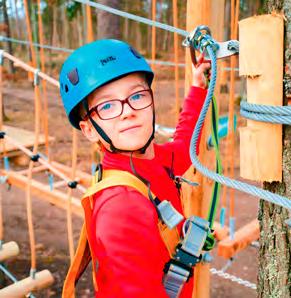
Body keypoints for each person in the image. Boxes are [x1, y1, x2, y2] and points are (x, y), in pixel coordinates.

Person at [59, 39, 210, 297]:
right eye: (107, 105)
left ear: (151, 102)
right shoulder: (120, 207)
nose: (127, 111)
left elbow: (184, 147)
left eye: (137, 95)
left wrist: (198, 88)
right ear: (89, 130)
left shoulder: (152, 161)